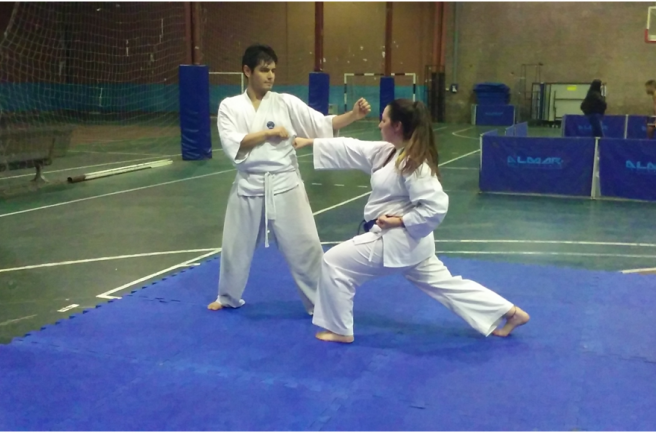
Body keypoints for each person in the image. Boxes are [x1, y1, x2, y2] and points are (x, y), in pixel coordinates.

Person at [292, 99, 529, 343]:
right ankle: (511, 313)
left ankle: (340, 330)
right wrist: (310, 142)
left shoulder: (414, 164)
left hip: (395, 241)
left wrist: (400, 221)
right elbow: (353, 147)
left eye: (383, 120)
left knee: (334, 262)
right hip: (414, 246)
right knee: (445, 285)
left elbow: (436, 206)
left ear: (396, 126)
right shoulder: (389, 152)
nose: (379, 125)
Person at [209, 44, 371, 314]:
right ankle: (227, 296)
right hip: (249, 184)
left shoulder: (285, 102)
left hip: (285, 183)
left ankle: (321, 302)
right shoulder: (230, 106)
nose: (270, 75)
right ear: (247, 71)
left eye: (273, 70)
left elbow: (322, 124)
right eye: (264, 70)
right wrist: (268, 133)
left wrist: (353, 115)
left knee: (306, 245)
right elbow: (232, 143)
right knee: (235, 246)